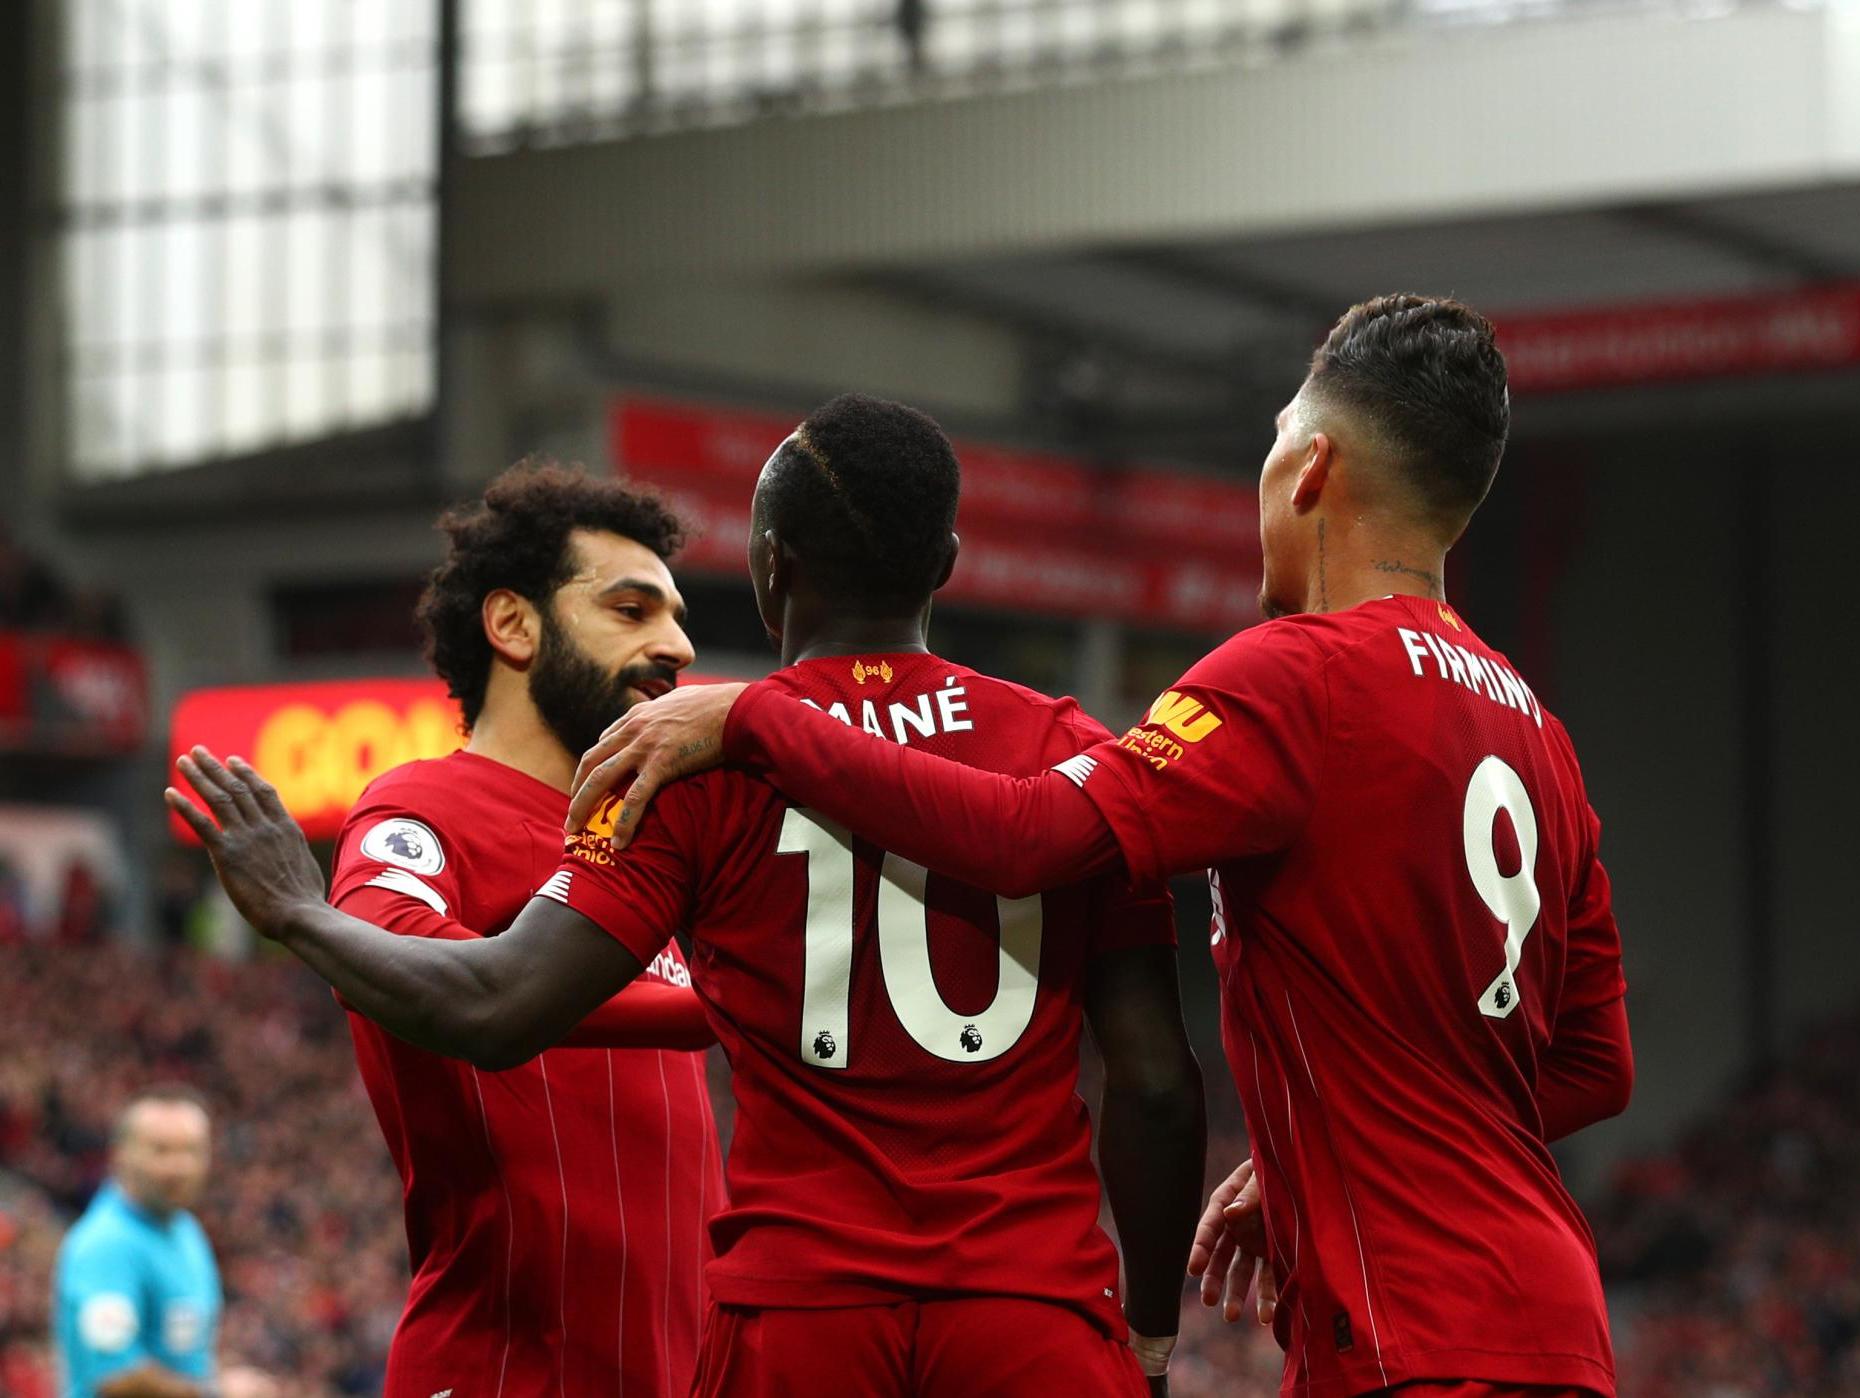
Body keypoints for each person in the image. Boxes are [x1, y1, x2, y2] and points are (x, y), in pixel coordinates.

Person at [561, 297, 1637, 1398]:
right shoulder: (1536, 730)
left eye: (1269, 448)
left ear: (1309, 468)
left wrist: (753, 720)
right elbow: (1596, 1067)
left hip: (1413, 1332)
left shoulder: (1291, 676)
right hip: (1554, 1319)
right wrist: (1308, 1159)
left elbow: (1027, 835)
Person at [169, 396, 1208, 1397]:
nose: (671, 643)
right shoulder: (1070, 753)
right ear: (944, 566)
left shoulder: (694, 761)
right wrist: (1151, 1340)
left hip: (798, 1319)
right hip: (1027, 1312)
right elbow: (1155, 1086)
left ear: (768, 567)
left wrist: (296, 914)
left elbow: (498, 999)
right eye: (632, 608)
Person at [253, 463, 725, 1397]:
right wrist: (714, 1005)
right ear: (513, 625)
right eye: (632, 611)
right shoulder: (422, 808)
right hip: (505, 1375)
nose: (675, 646)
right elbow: (395, 962)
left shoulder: (652, 840)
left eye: (675, 617)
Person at [51, 1087, 277, 1398]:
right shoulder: (107, 1245)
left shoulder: (186, 1230)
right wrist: (218, 1392)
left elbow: (185, 1354)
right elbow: (115, 1379)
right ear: (120, 1154)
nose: (178, 1166)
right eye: (161, 1150)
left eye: (191, 1151)